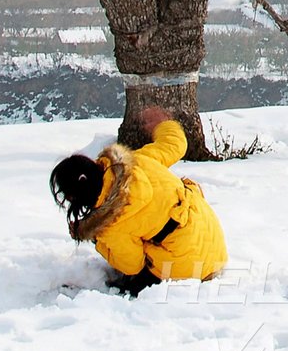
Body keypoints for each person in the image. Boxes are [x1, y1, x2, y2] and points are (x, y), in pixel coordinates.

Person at [49, 107, 228, 296]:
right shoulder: (137, 161)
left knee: (133, 280)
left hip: (191, 267)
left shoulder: (111, 224)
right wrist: (163, 124)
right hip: (212, 239)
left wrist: (95, 236)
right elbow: (175, 144)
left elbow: (132, 265)